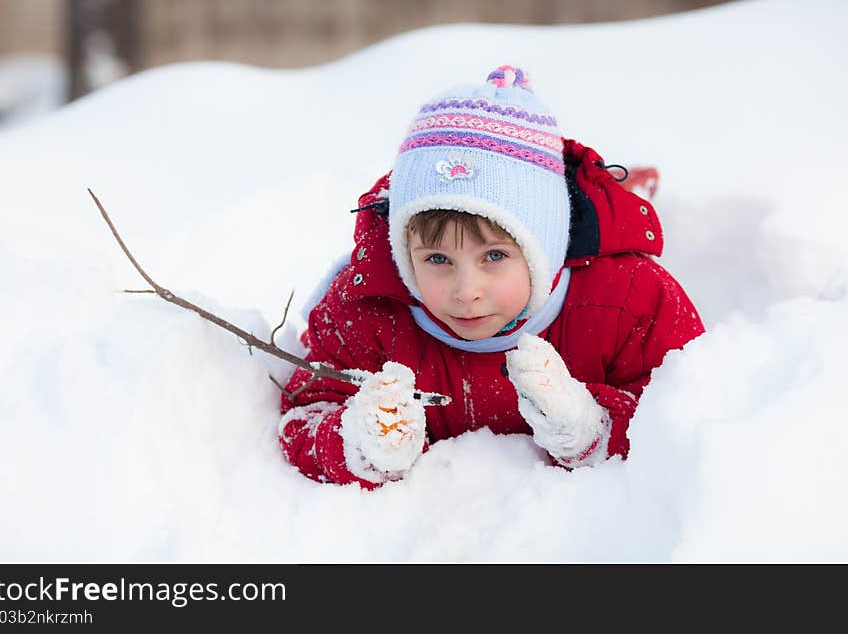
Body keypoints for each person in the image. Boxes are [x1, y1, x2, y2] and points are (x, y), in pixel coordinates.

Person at [278, 65, 704, 489]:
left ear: (545, 247)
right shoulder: (367, 308)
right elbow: (304, 413)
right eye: (437, 259)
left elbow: (691, 411)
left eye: (494, 256)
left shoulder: (627, 299)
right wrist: (360, 442)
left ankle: (625, 189)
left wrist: (592, 427)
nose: (466, 292)